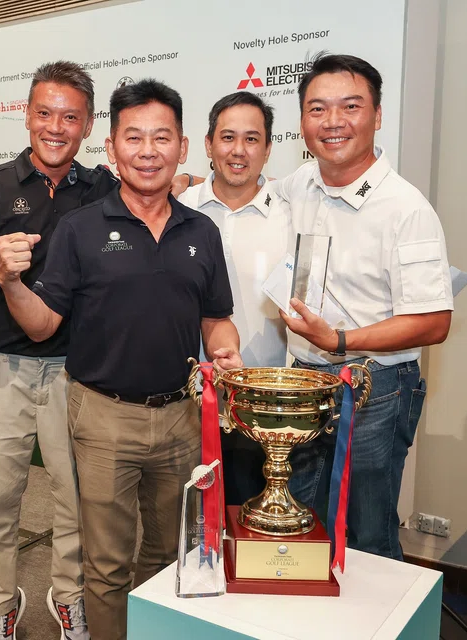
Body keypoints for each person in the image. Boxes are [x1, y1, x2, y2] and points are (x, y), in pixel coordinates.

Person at [0, 79, 242, 640]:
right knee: (105, 567)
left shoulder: (202, 230)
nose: (148, 150)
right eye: (134, 138)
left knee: (165, 556)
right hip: (102, 417)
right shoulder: (81, 230)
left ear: (182, 148)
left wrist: (224, 346)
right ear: (111, 148)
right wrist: (11, 282)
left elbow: (215, 316)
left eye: (162, 138)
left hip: (181, 417)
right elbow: (41, 325)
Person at [0, 60, 117, 640]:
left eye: (70, 117)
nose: (56, 126)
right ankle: (0, 604)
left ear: (88, 125)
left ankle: (68, 598)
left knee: (76, 499)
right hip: (1, 366)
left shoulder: (106, 192)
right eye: (45, 113)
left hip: (79, 371)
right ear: (27, 115)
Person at [271, 53, 454, 560]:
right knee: (299, 519)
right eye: (317, 108)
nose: (332, 122)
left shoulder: (406, 208)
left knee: (366, 532)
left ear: (377, 115)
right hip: (307, 379)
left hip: (375, 387)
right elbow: (244, 194)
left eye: (349, 106)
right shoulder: (300, 185)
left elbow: (434, 321)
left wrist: (341, 341)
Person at [177, 91, 292, 507]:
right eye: (227, 138)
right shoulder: (178, 208)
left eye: (251, 139)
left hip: (263, 411)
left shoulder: (290, 215)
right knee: (186, 530)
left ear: (268, 149)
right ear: (208, 144)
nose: (238, 151)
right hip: (185, 407)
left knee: (251, 530)